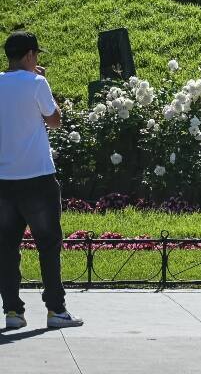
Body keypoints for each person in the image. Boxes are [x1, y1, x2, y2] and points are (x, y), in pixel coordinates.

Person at [0, 31, 84, 330]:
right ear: (29, 55)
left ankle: (12, 311)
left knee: (6, 247)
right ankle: (56, 310)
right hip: (37, 176)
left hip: (3, 179)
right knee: (48, 245)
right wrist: (43, 84)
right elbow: (55, 120)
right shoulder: (38, 82)